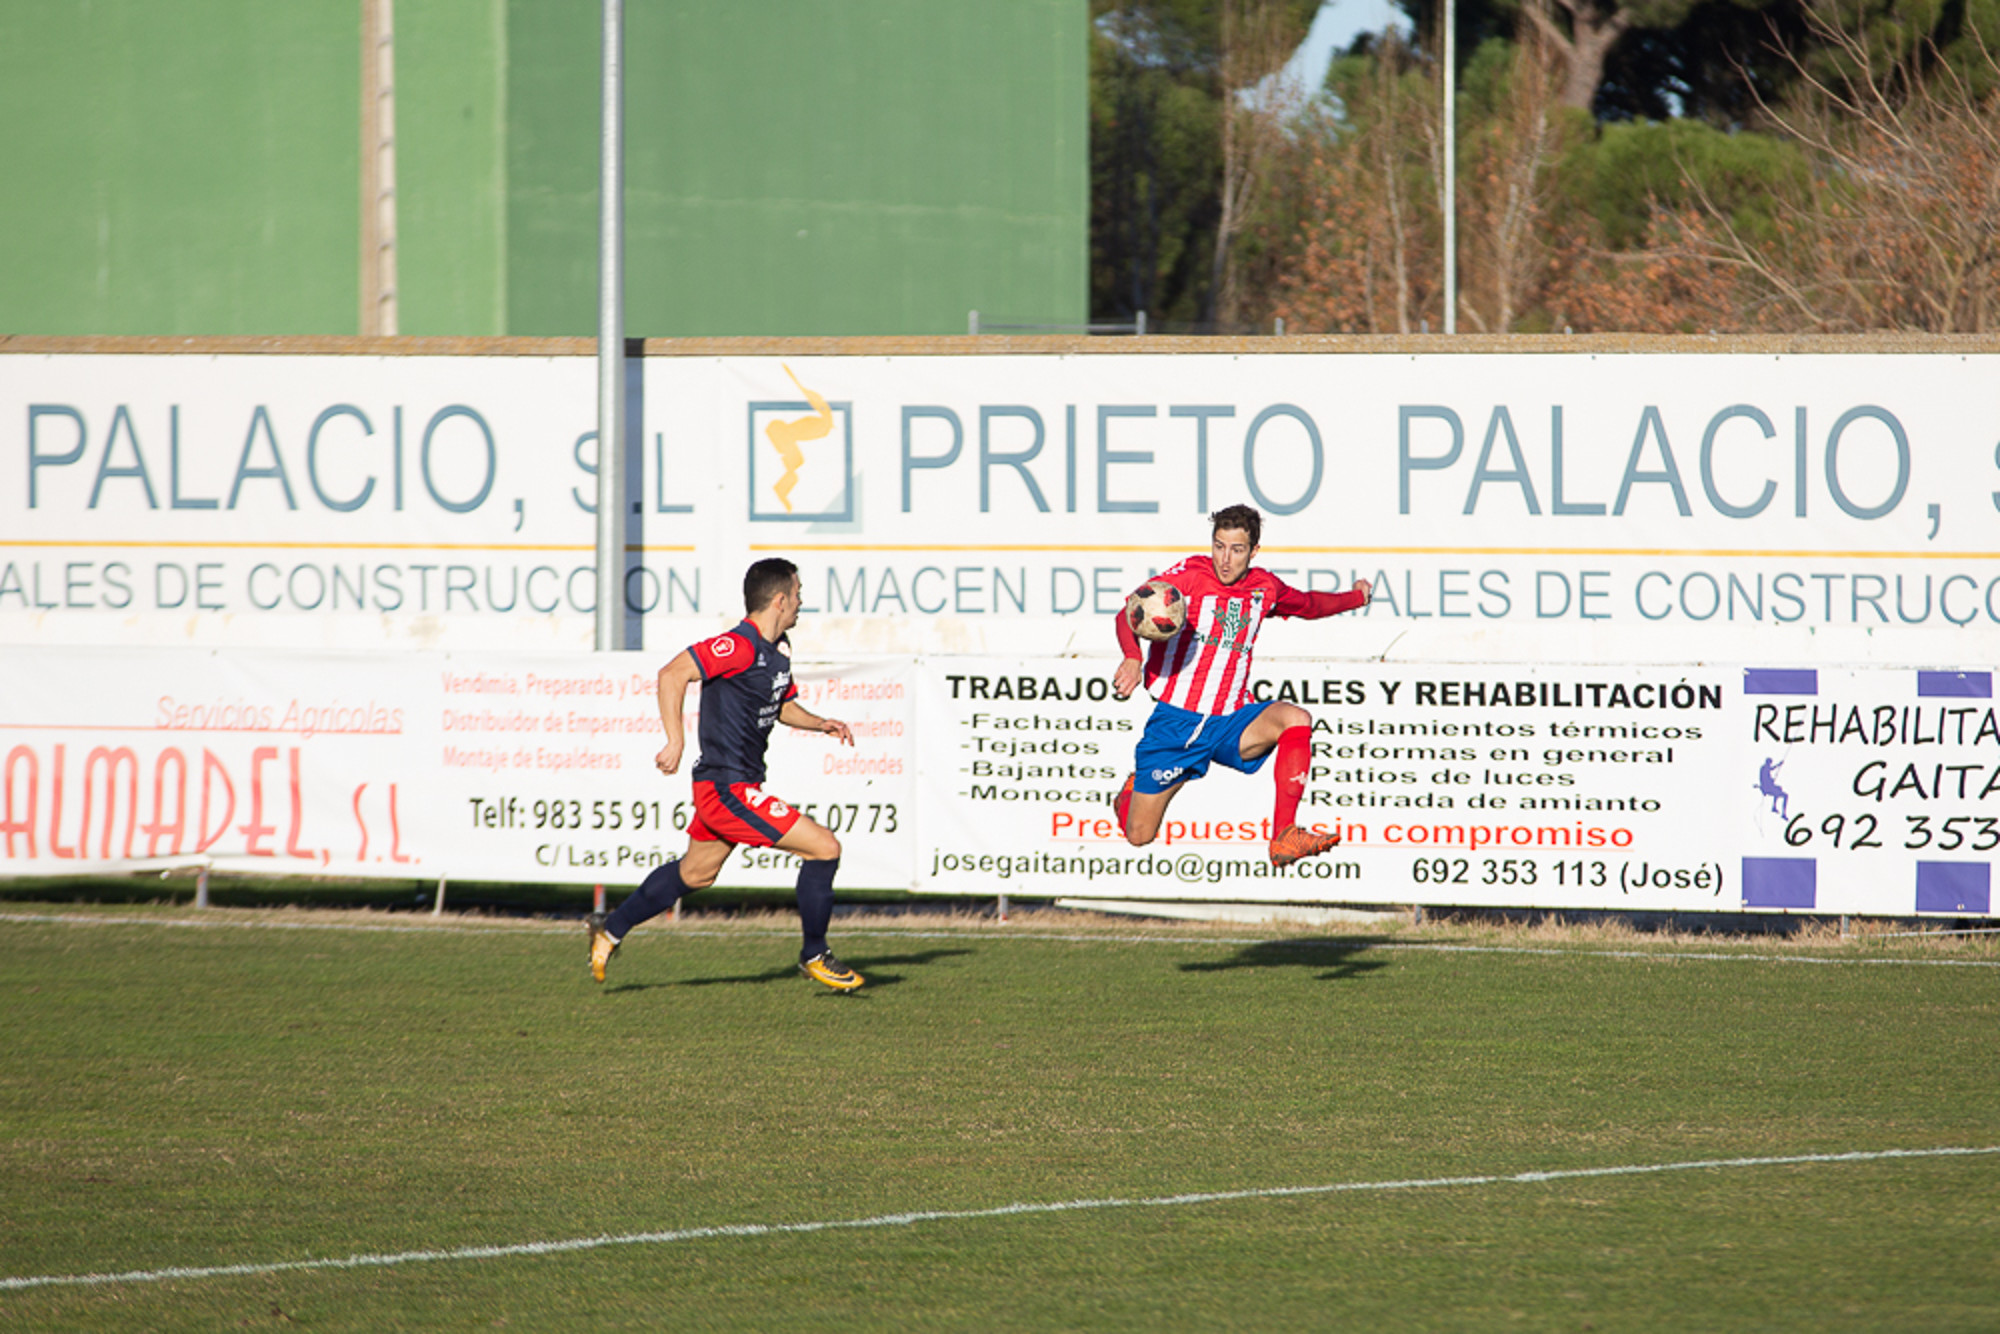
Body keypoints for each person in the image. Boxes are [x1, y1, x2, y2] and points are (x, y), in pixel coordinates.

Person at [588, 557, 864, 991]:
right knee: (824, 847)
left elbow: (782, 705)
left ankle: (609, 929)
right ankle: (815, 953)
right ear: (779, 600)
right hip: (726, 787)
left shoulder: (776, 653)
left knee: (696, 874)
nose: (800, 602)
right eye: (797, 595)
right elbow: (672, 674)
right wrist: (675, 740)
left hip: (734, 785)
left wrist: (820, 722)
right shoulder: (738, 645)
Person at [1112, 503, 1371, 868]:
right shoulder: (1188, 575)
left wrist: (1357, 597)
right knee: (1140, 835)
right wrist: (1133, 656)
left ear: (1253, 551)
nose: (1225, 559)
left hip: (1231, 721)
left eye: (1236, 549)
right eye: (1219, 546)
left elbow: (1310, 605)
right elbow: (1129, 612)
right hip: (1175, 723)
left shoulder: (1264, 587)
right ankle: (1131, 793)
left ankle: (1284, 835)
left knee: (1295, 717)